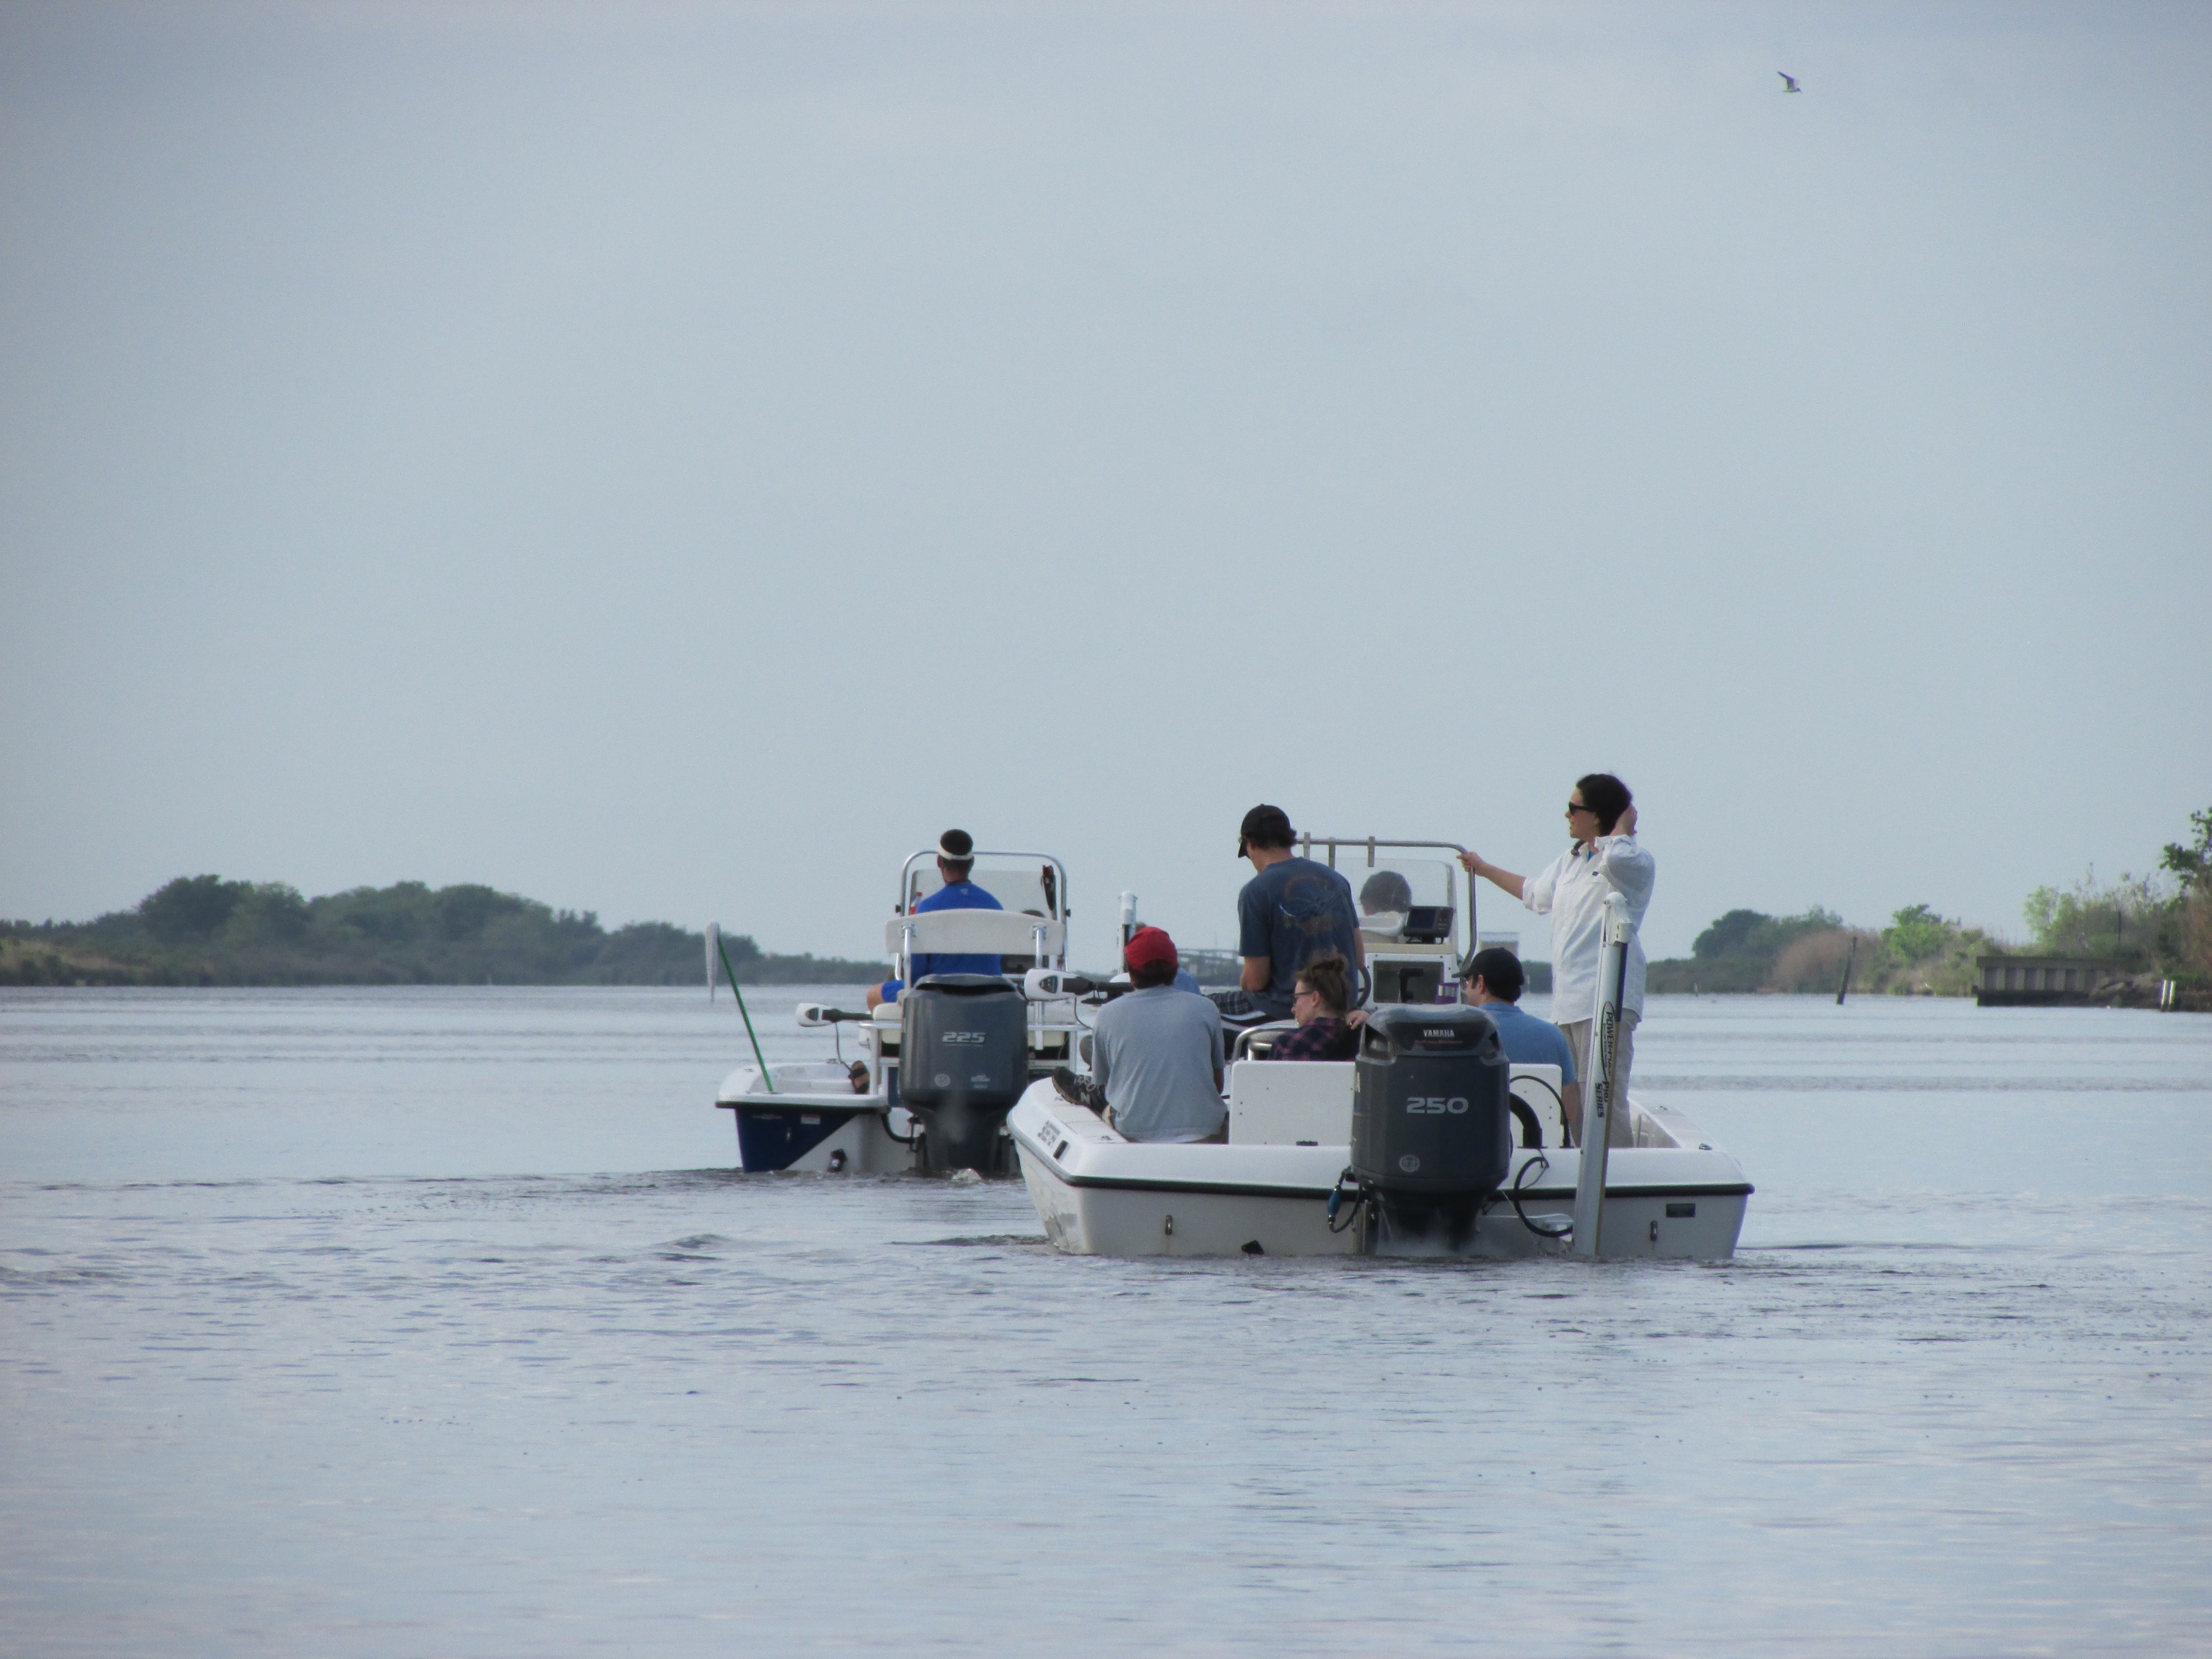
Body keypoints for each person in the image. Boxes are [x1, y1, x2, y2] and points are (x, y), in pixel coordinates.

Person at [1458, 774, 1653, 1147]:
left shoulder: (1632, 860)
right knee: (1574, 1102)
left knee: (1605, 1101)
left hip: (1606, 1001)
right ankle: (1578, 1171)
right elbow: (1534, 894)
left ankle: (1615, 1183)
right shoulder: (1572, 860)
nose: (1566, 814)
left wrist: (1622, 829)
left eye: (1575, 808)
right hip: (1569, 1002)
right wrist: (1484, 869)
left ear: (1597, 817)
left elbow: (1617, 856)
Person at [1209, 805, 1364, 1027]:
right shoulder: (1337, 881)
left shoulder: (1256, 891)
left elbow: (1255, 982)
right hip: (1343, 1009)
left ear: (1250, 844)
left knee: (1203, 1009)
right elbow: (1358, 958)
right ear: (1288, 839)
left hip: (1285, 1009)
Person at [1088, 926, 1227, 1143]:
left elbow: (1108, 1087)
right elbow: (1217, 1085)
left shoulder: (1107, 1014)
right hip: (1205, 1133)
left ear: (1130, 973)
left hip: (1134, 1134)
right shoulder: (1207, 1009)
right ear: (1175, 969)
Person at [866, 829, 1004, 1010]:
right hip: (989, 991)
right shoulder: (994, 906)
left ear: (939, 862)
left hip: (937, 993)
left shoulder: (928, 909)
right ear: (971, 863)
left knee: (874, 995)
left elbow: (914, 974)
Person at [1459, 946, 1582, 1142]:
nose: (1465, 990)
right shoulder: (1554, 1036)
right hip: (1541, 1154)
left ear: (1480, 983)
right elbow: (1570, 1112)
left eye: (1467, 982)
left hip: (1479, 1150)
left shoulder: (1460, 1034)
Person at [1268, 954, 1359, 1061]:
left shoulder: (1287, 1044)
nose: (1294, 1009)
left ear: (1315, 998)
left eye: (1296, 999)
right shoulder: (1362, 1041)